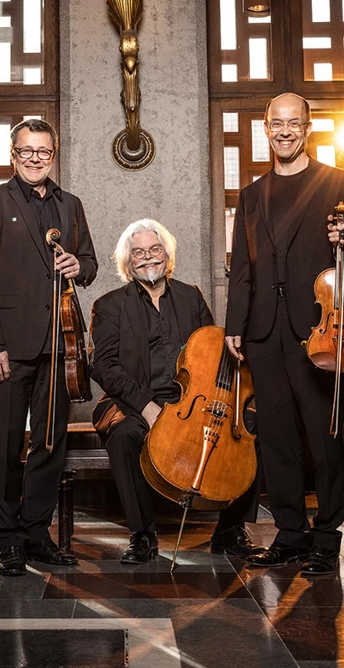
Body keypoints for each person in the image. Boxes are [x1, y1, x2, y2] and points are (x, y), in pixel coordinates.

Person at [224, 93, 344, 576]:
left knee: (324, 437)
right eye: (276, 123)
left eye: (294, 123)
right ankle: (290, 533)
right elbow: (242, 268)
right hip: (264, 330)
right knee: (277, 438)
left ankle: (326, 536)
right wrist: (235, 325)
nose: (284, 131)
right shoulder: (252, 194)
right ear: (266, 128)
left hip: (319, 329)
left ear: (308, 128)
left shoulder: (339, 183)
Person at [90, 219, 265, 564]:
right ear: (127, 262)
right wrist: (147, 406)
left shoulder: (191, 296)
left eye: (155, 249)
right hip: (135, 401)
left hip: (190, 401)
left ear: (167, 256)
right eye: (138, 252)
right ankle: (143, 535)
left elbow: (213, 352)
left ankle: (229, 531)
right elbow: (104, 367)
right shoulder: (109, 305)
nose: (148, 257)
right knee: (124, 435)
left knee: (252, 427)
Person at [0, 119, 98, 577]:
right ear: (13, 154)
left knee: (49, 443)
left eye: (43, 152)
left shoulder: (70, 204)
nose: (35, 159)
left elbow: (90, 262)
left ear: (53, 155)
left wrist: (78, 265)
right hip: (8, 345)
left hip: (59, 345)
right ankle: (8, 540)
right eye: (26, 151)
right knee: (6, 445)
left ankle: (37, 533)